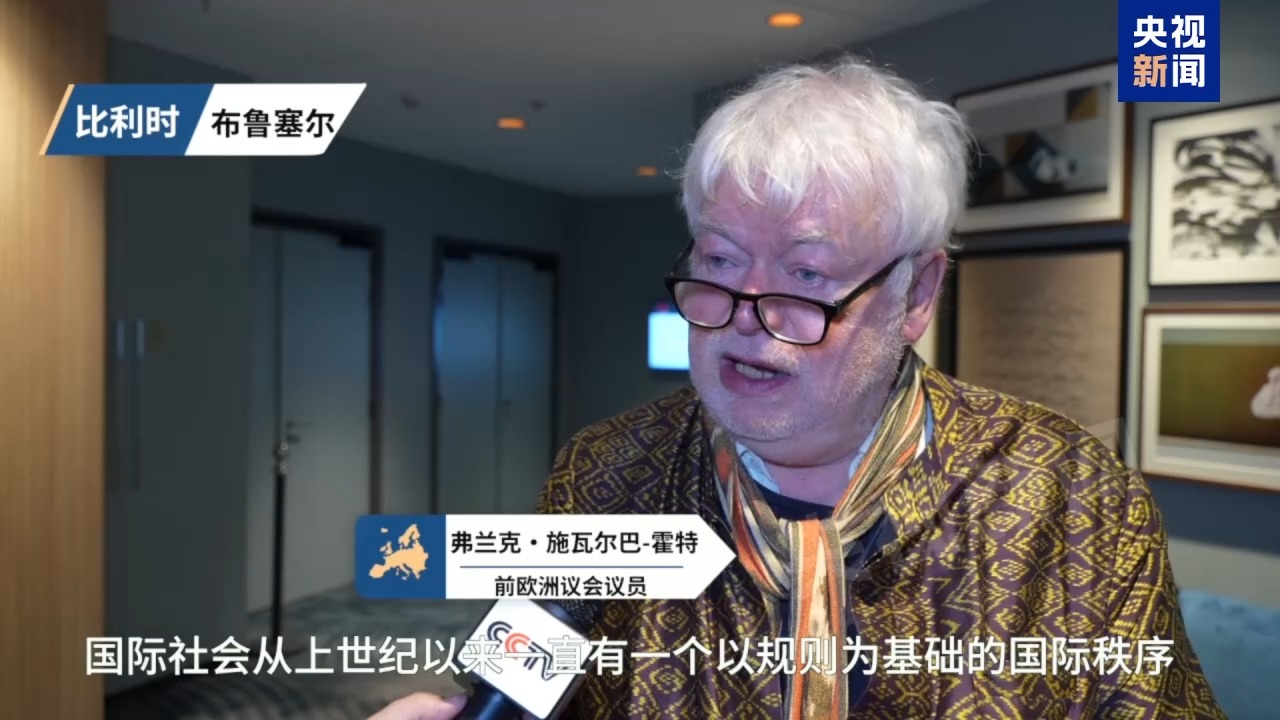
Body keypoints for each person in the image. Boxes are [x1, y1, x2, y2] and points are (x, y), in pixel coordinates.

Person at [372, 55, 1227, 719]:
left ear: (917, 294)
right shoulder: (604, 473)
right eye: (719, 262)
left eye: (806, 275)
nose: (744, 317)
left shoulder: (1069, 496)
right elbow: (520, 678)